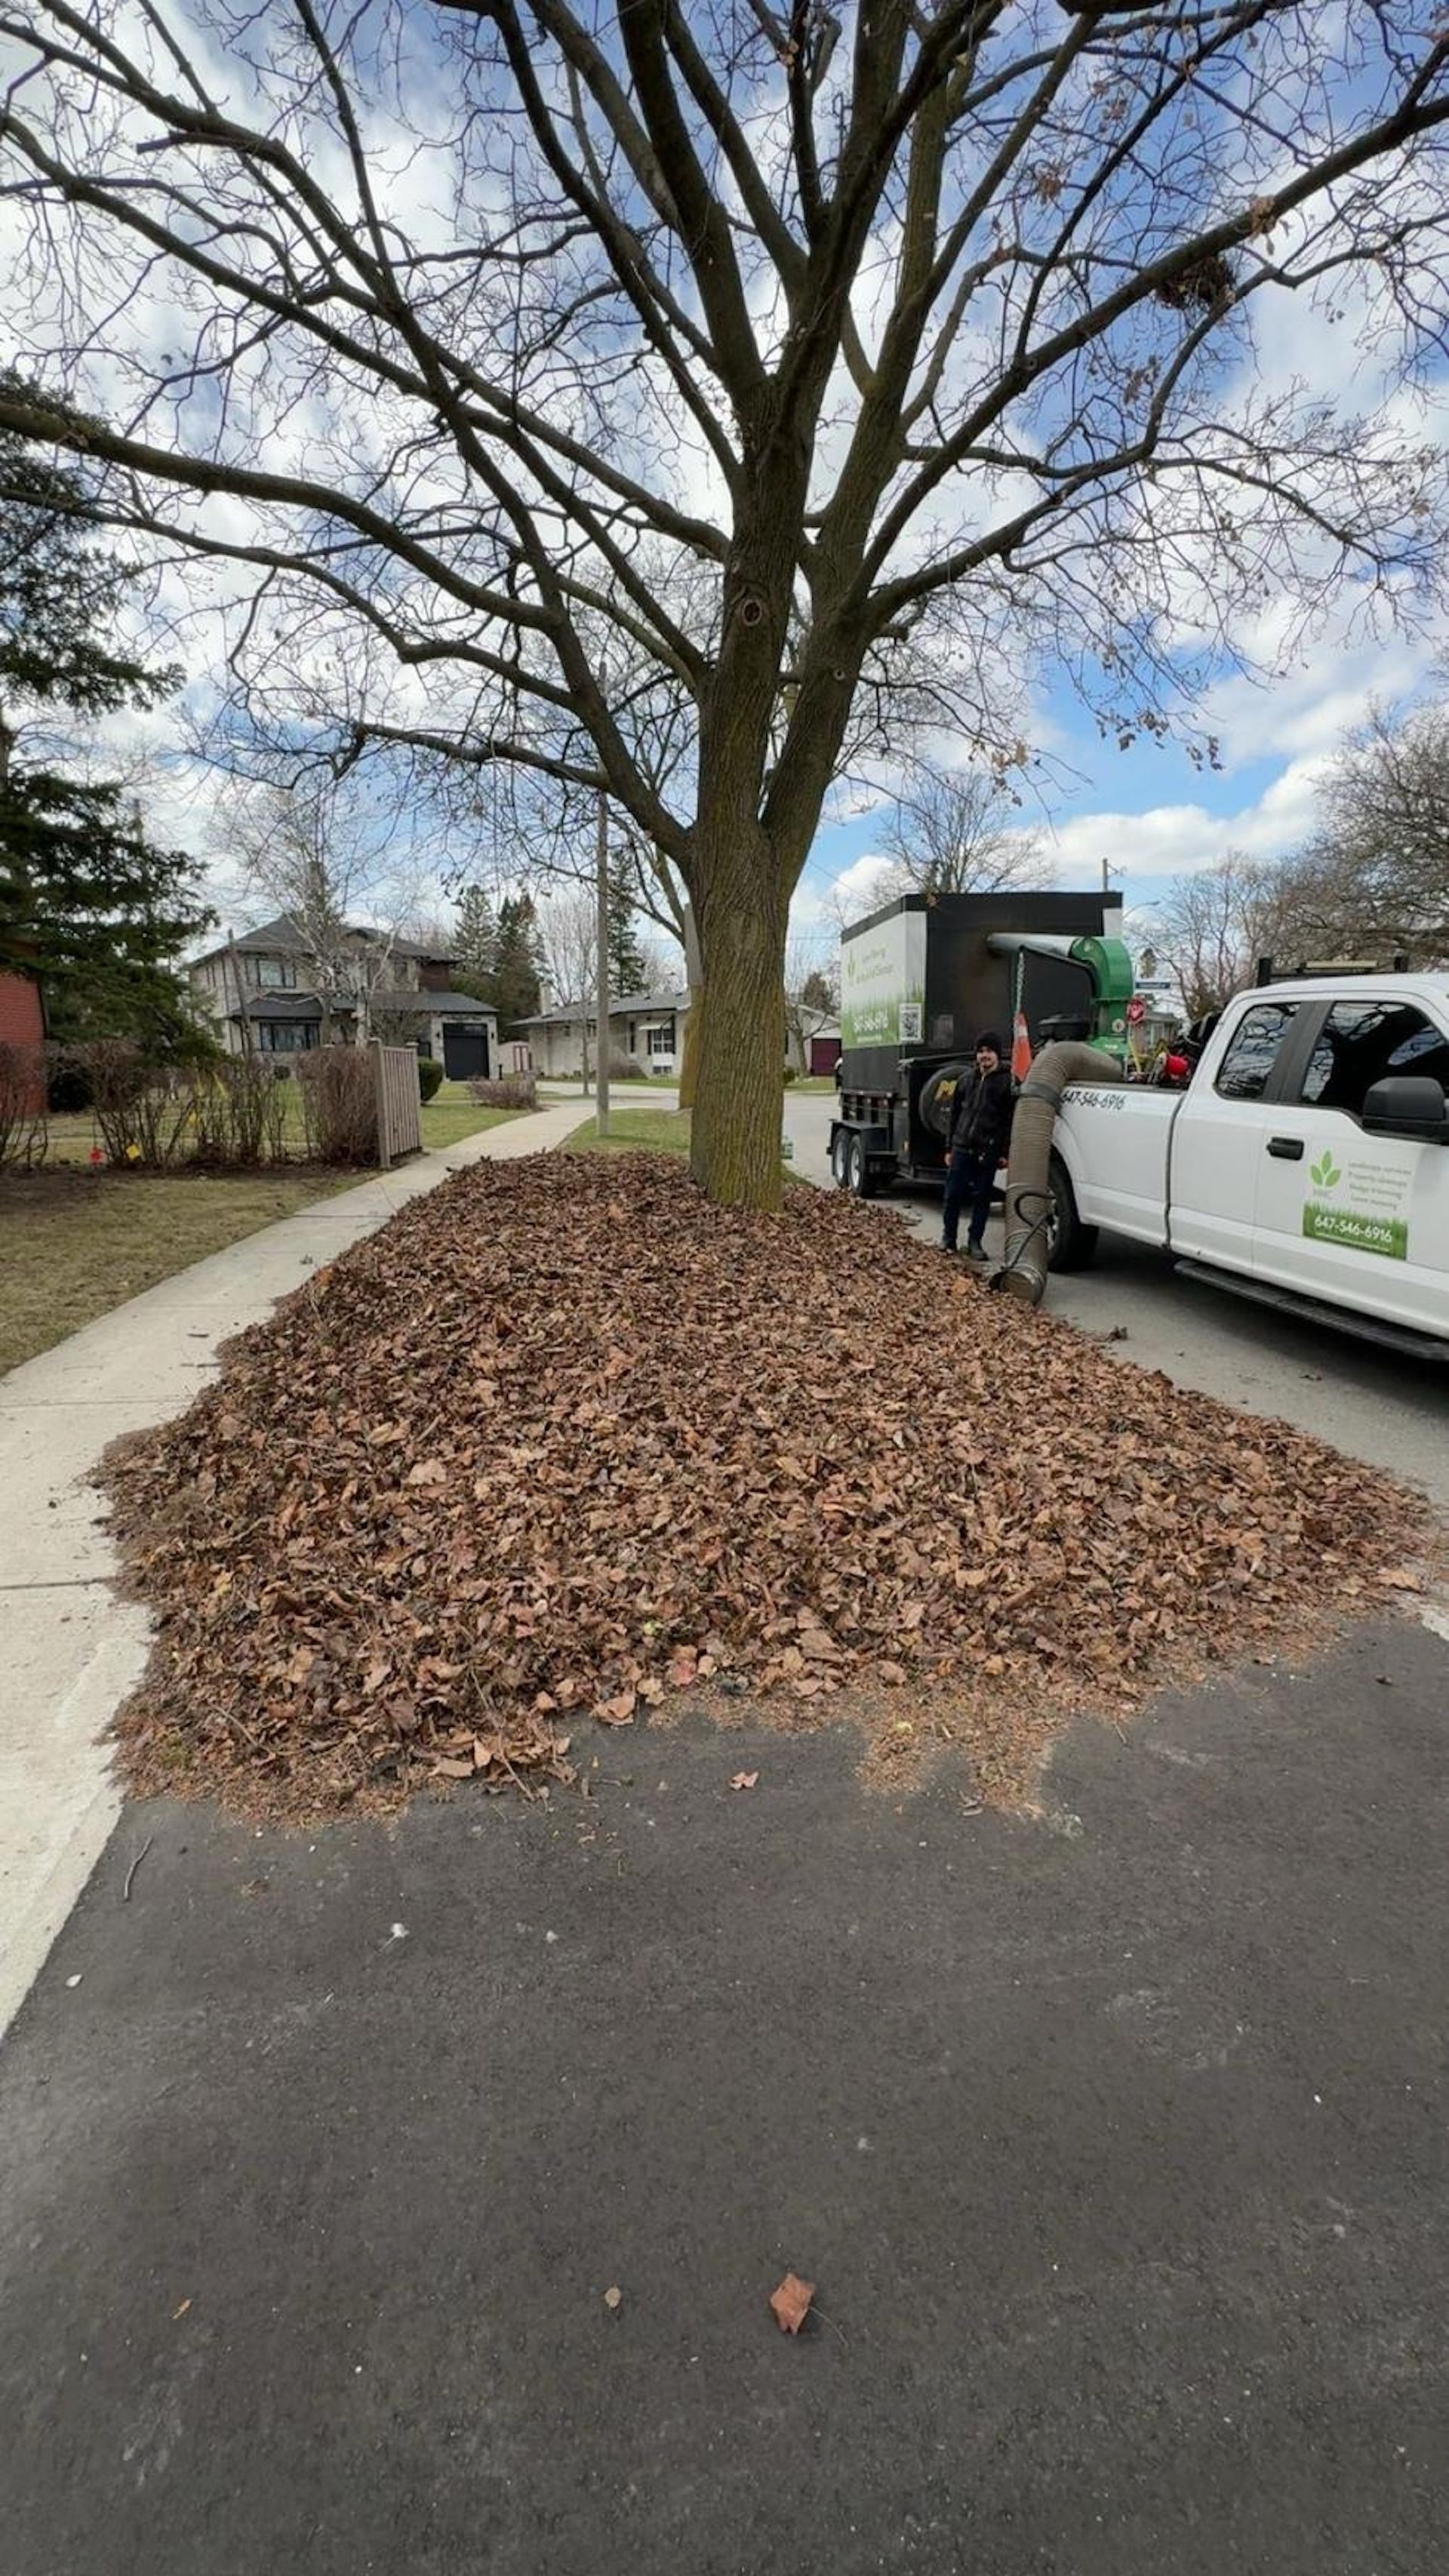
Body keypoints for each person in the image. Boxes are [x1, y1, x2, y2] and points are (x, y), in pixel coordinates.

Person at [942, 1031, 1014, 1260]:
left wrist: (1004, 1152)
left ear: (997, 1055)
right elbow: (954, 1116)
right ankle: (948, 1239)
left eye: (989, 1052)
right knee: (952, 1195)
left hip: (988, 1150)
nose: (984, 1056)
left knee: (982, 1198)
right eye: (981, 1052)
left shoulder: (1006, 1084)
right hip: (962, 1147)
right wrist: (949, 1148)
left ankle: (975, 1242)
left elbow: (1008, 1121)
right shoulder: (965, 1081)